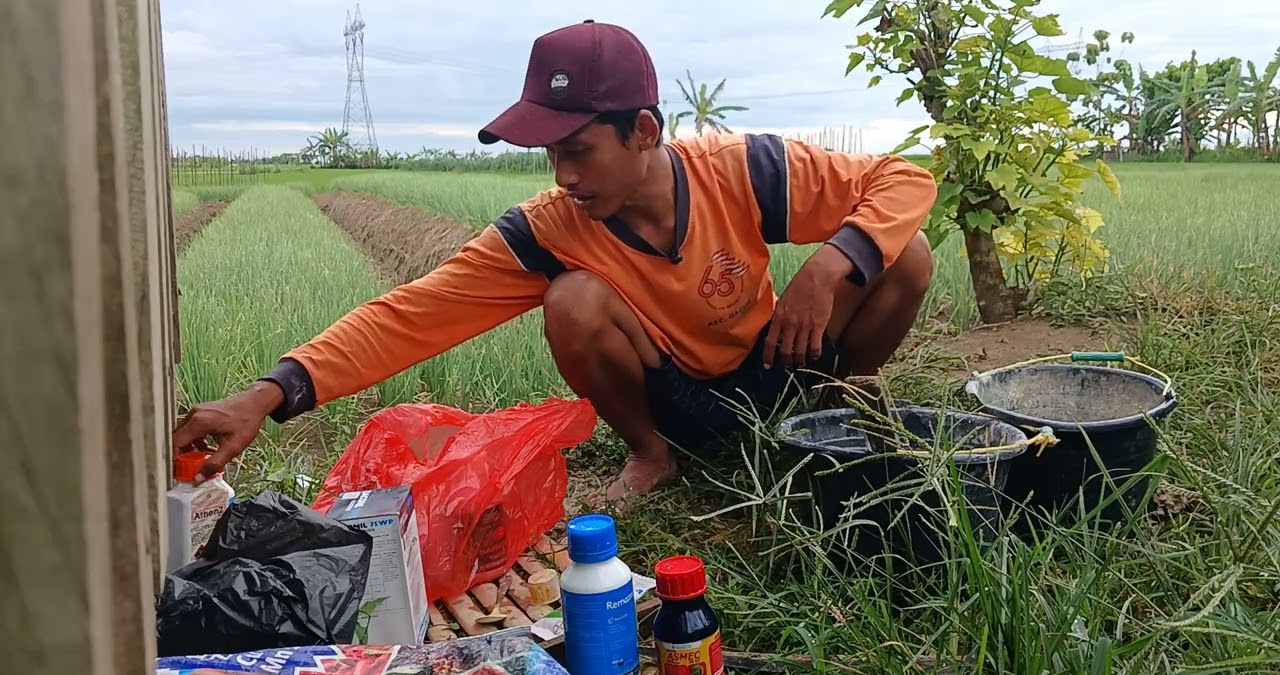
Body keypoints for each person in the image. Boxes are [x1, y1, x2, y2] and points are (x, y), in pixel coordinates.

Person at [173, 19, 937, 506]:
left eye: (578, 150)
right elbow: (412, 315)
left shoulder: (742, 170)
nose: (563, 175)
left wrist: (828, 263)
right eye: (550, 153)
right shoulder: (548, 229)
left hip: (780, 358)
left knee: (906, 254)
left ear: (642, 130)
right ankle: (650, 457)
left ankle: (838, 404)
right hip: (678, 394)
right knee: (572, 299)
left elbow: (904, 180)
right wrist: (268, 394)